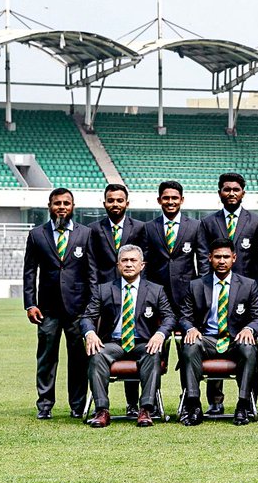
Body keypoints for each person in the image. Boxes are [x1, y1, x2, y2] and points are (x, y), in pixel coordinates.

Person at [195, 173, 258, 416]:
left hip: (245, 295)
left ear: (243, 192)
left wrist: (255, 291)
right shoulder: (207, 223)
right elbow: (204, 258)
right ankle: (215, 400)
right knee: (214, 335)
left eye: (236, 189)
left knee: (247, 343)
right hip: (215, 289)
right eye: (227, 189)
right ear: (220, 193)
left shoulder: (257, 222)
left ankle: (247, 401)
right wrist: (209, 288)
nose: (231, 193)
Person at [80, 244, 175, 429]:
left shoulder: (156, 290)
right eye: (125, 260)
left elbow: (170, 317)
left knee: (152, 352)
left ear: (142, 265)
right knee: (97, 353)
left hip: (142, 343)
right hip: (113, 343)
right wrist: (90, 333)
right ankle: (101, 410)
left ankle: (146, 409)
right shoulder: (103, 290)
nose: (129, 264)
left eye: (133, 260)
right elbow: (87, 317)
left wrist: (160, 334)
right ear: (118, 265)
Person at [23, 186, 94, 419]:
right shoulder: (37, 235)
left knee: (78, 361)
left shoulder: (85, 234)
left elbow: (92, 273)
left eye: (66, 203)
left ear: (73, 207)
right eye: (57, 203)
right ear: (49, 206)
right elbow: (29, 272)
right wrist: (29, 304)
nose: (61, 207)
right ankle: (44, 405)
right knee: (46, 359)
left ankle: (77, 406)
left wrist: (91, 308)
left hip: (77, 309)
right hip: (47, 309)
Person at [177, 238, 258, 426]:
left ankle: (243, 405)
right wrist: (191, 329)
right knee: (190, 345)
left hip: (235, 339)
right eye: (217, 257)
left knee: (249, 348)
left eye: (226, 256)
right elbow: (184, 317)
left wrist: (249, 329)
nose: (222, 261)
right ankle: (193, 405)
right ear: (210, 258)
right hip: (207, 339)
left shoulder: (249, 285)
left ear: (234, 258)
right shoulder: (197, 285)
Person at [142, 179, 200, 333]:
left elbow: (203, 260)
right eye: (166, 198)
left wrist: (201, 288)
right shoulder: (149, 227)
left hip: (187, 292)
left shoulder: (195, 226)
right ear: (159, 200)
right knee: (157, 340)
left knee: (188, 339)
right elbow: (144, 263)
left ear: (182, 200)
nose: (170, 202)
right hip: (157, 293)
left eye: (174, 198)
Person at [86, 184, 148, 285]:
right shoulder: (93, 229)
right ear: (104, 203)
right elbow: (91, 264)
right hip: (103, 288)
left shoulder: (140, 227)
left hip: (131, 286)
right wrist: (95, 291)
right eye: (110, 201)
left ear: (127, 204)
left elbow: (144, 260)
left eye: (120, 201)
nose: (115, 204)